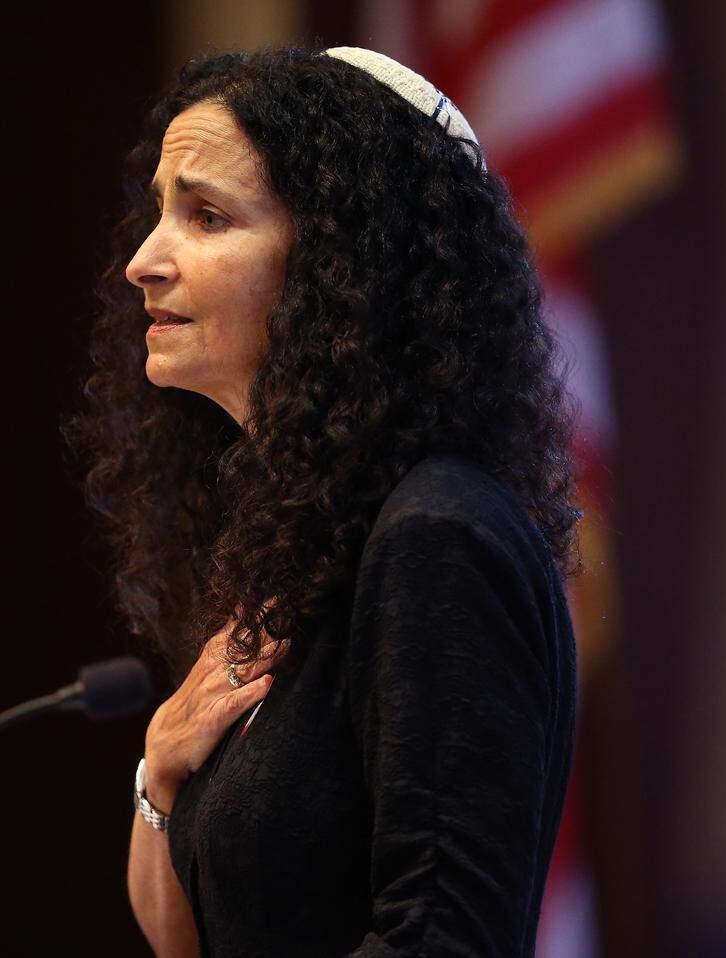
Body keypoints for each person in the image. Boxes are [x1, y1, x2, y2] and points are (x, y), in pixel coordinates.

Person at [62, 41, 582, 958]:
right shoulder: (296, 551)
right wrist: (159, 771)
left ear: (342, 261)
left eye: (208, 216)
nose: (145, 259)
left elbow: (441, 940)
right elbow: (191, 941)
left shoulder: (438, 536)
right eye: (160, 214)